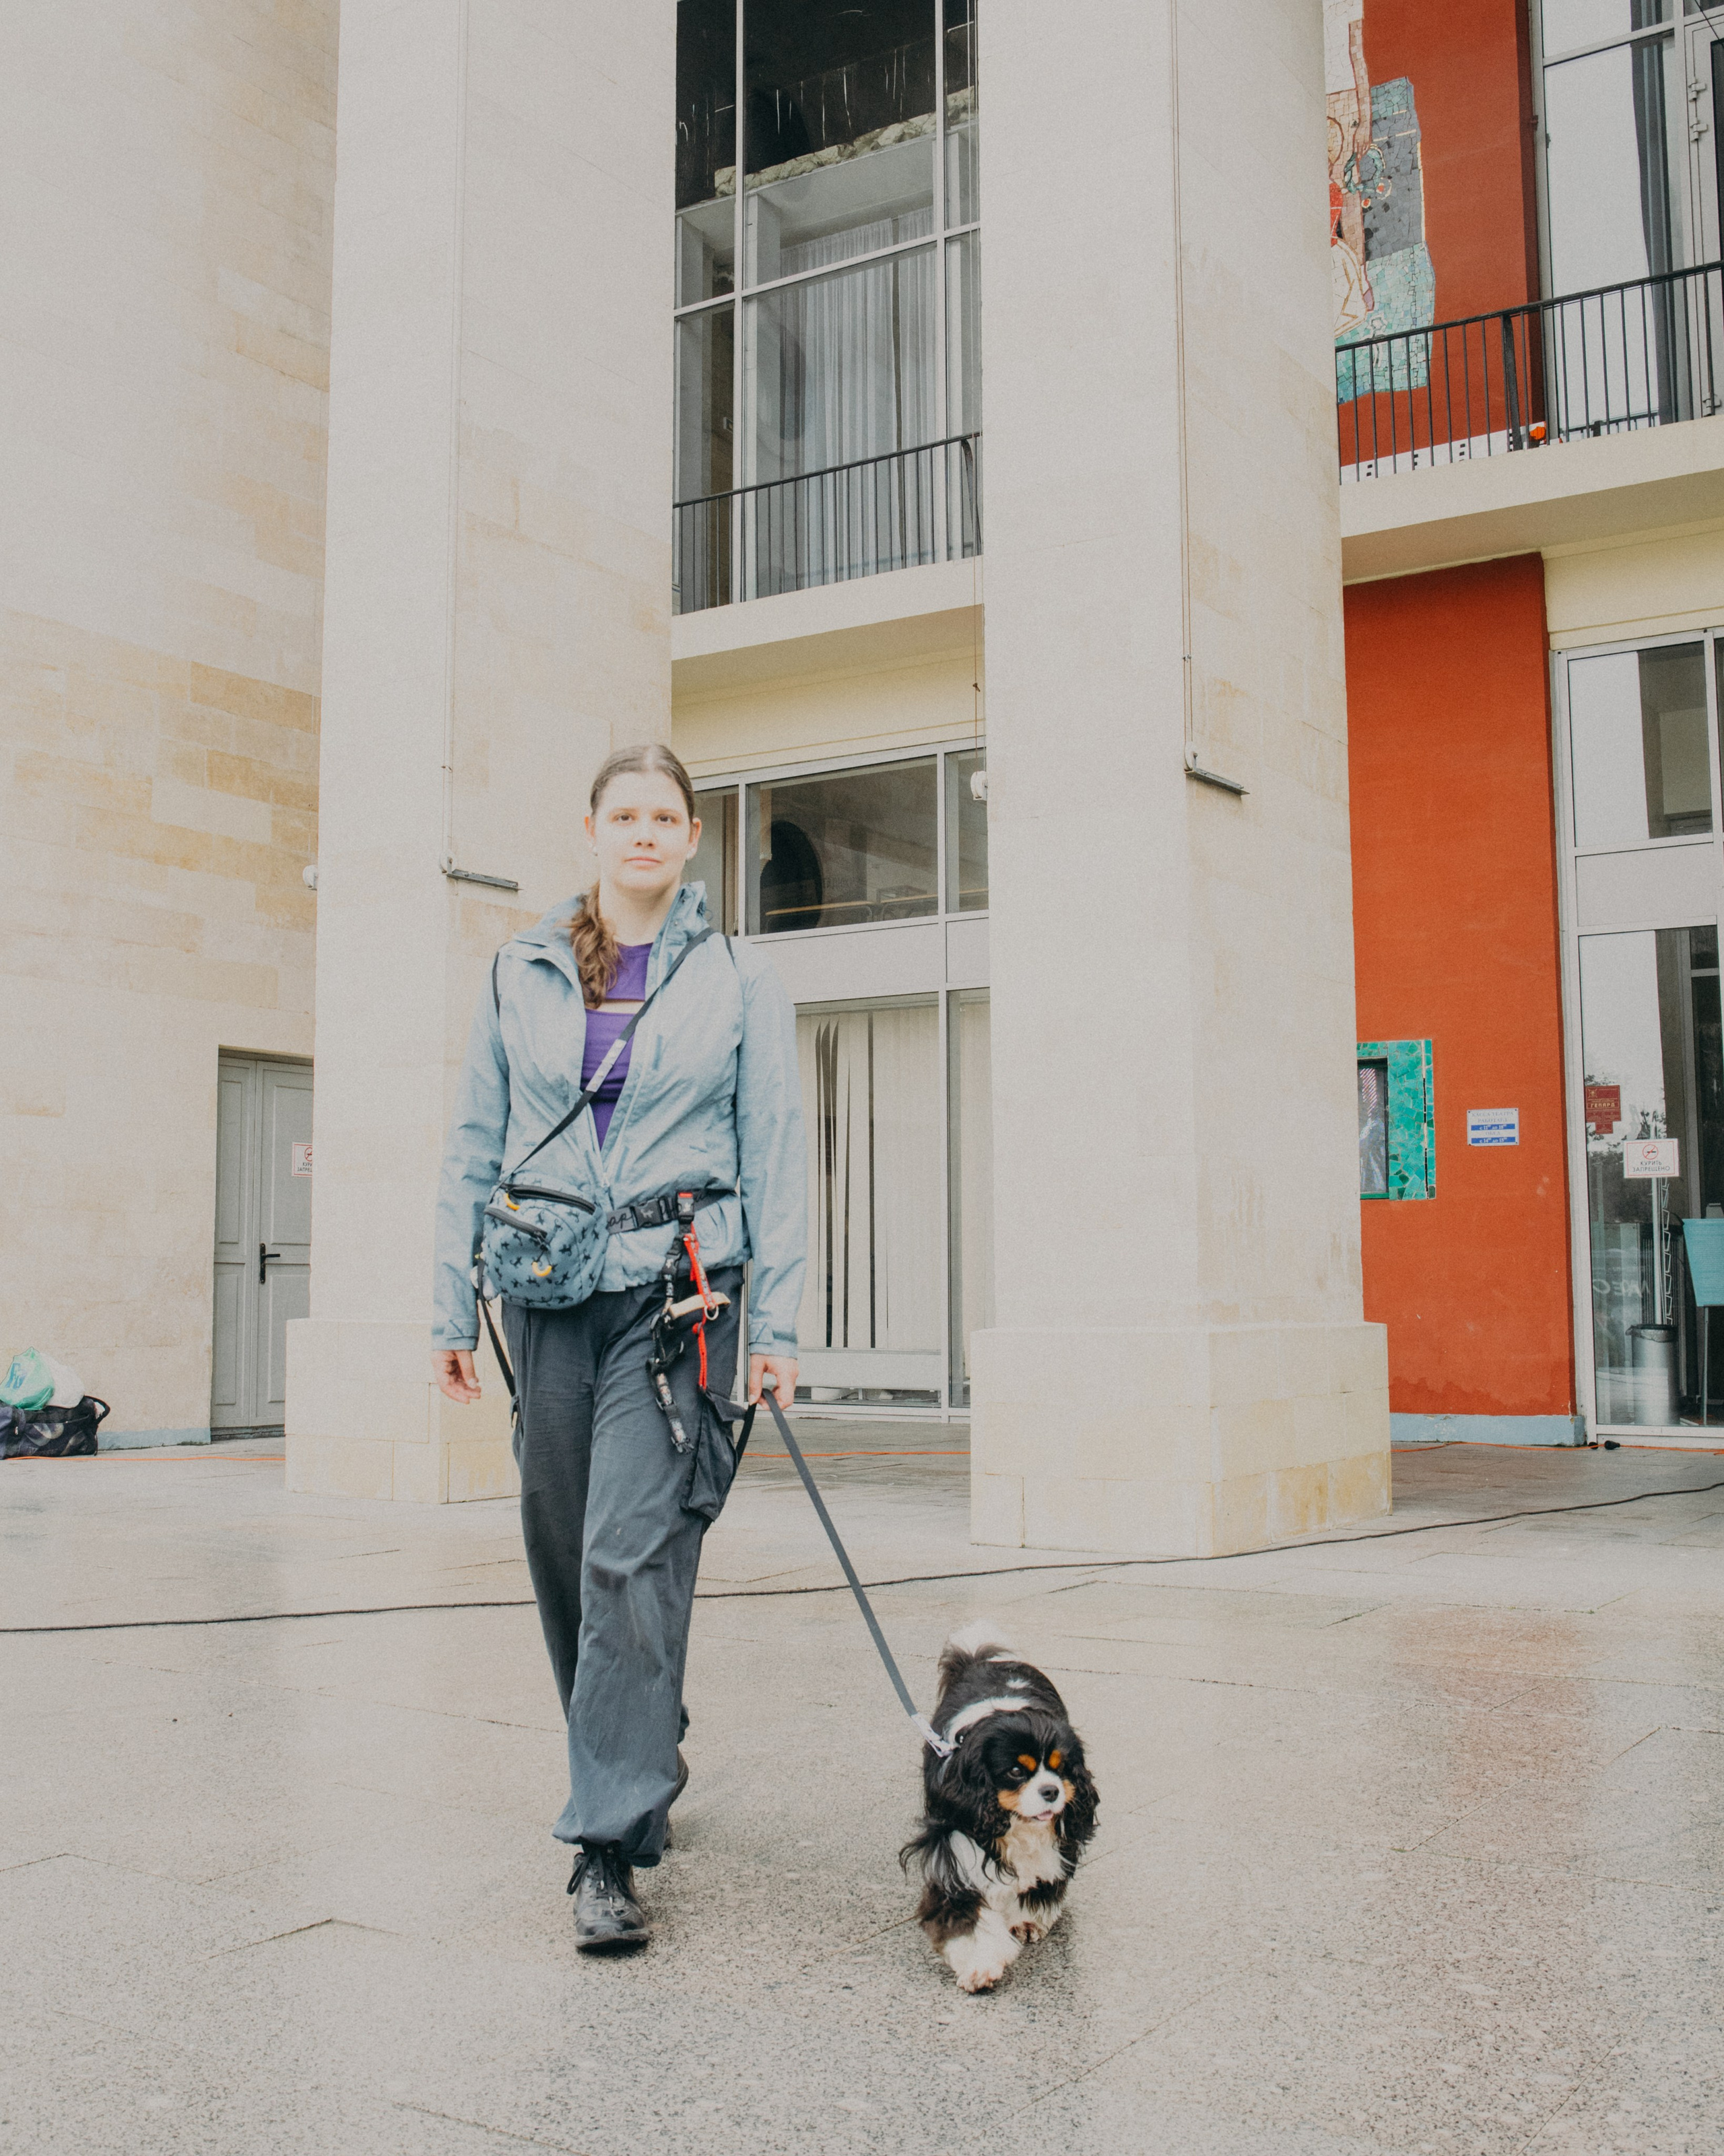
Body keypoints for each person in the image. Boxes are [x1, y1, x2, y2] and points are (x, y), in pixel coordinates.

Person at [432, 742, 805, 1951]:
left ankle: (607, 1841)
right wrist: (448, 1309)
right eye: (624, 814)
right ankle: (643, 1734)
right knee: (560, 1548)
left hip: (677, 1299)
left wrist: (776, 1325)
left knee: (625, 1553)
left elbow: (777, 1153)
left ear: (691, 838)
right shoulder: (520, 968)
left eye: (664, 816)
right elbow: (472, 1142)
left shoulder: (739, 976)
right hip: (545, 1293)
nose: (644, 832)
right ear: (591, 830)